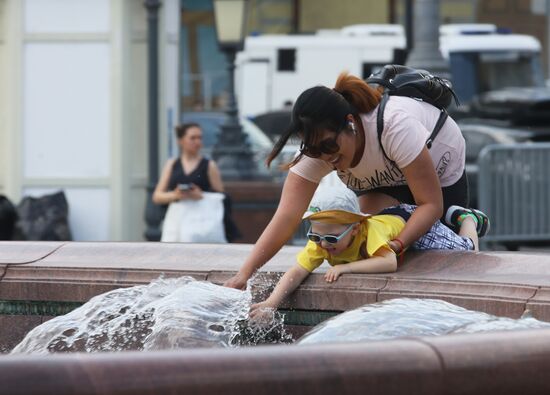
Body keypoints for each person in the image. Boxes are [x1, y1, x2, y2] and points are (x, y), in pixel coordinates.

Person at [225, 71, 478, 289]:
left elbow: (429, 205)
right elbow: (287, 217)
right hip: (384, 179)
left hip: (438, 163)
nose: (326, 156)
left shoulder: (393, 127)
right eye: (315, 150)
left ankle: (468, 219)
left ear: (350, 123)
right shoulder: (319, 148)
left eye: (329, 145)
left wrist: (397, 245)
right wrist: (244, 274)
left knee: (447, 254)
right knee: (359, 240)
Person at [249, 187, 488, 318]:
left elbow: (388, 261)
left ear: (355, 229)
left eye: (331, 238)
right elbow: (298, 270)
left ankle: (466, 218)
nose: (323, 244)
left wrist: (346, 267)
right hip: (389, 224)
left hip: (411, 222)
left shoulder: (369, 233)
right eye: (315, 236)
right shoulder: (322, 239)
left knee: (466, 252)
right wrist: (271, 302)